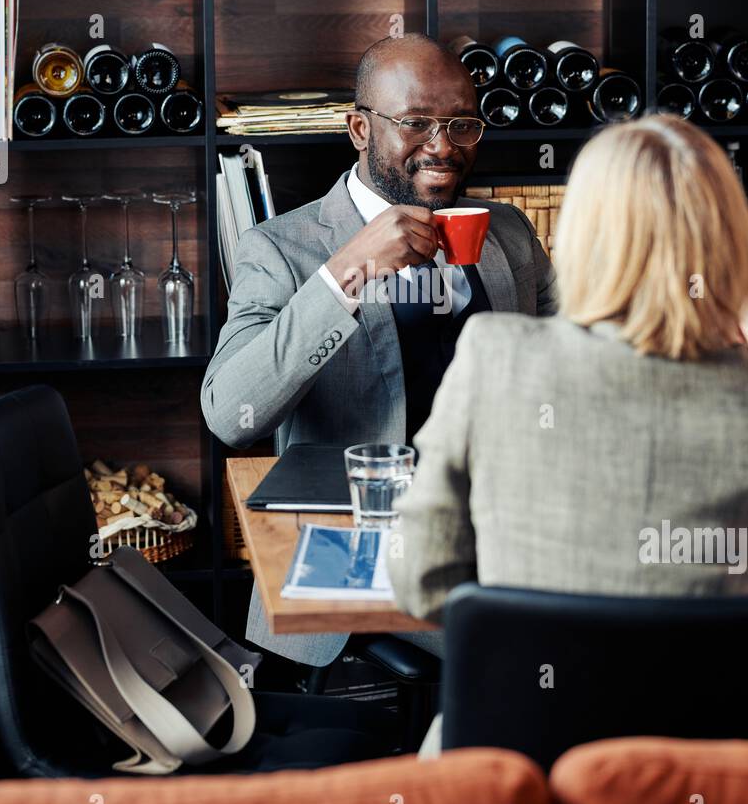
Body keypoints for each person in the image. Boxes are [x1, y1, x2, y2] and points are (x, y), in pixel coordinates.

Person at [391, 116, 748, 645]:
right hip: (726, 724)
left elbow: (423, 581)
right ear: (731, 234)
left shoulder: (495, 354)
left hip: (524, 724)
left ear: (583, 233)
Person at [201, 33, 556, 667]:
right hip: (353, 548)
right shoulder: (281, 249)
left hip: (495, 532)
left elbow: (577, 359)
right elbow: (231, 413)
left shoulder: (508, 232)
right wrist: (346, 274)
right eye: (416, 123)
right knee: (540, 641)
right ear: (359, 129)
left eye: (463, 125)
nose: (443, 147)